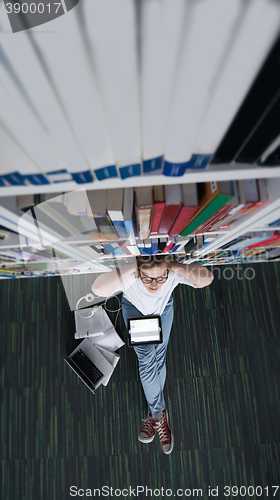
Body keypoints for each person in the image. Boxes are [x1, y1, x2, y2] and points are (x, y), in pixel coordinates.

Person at [92, 255, 214, 454]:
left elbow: (206, 279)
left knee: (159, 357)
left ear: (166, 272)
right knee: (147, 360)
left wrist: (173, 266)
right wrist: (134, 266)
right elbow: (97, 289)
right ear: (140, 273)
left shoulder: (171, 272)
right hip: (135, 311)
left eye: (160, 278)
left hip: (163, 310)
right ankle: (158, 416)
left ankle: (154, 412)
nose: (154, 284)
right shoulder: (133, 274)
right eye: (147, 278)